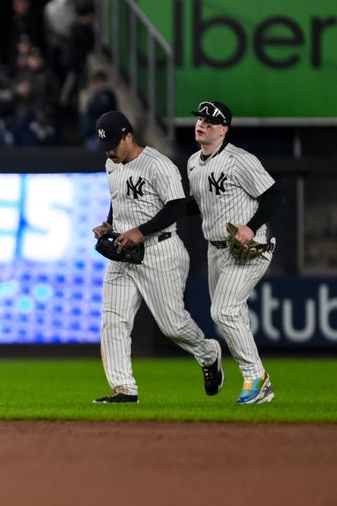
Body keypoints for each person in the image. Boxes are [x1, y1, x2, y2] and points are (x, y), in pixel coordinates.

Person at [91, 111, 223, 403]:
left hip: (160, 251)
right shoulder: (111, 165)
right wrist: (110, 224)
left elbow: (177, 206)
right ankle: (124, 389)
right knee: (114, 319)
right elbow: (119, 201)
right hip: (124, 254)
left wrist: (140, 230)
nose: (110, 150)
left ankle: (208, 352)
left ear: (129, 136)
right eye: (106, 145)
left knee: (173, 326)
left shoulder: (158, 165)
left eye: (114, 143)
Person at [186, 101, 282, 404]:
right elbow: (194, 206)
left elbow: (273, 195)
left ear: (224, 130)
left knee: (223, 311)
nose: (202, 124)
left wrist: (251, 227)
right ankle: (256, 378)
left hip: (248, 249)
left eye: (210, 123)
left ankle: (257, 378)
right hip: (216, 250)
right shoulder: (192, 162)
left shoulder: (240, 160)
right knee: (234, 313)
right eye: (200, 119)